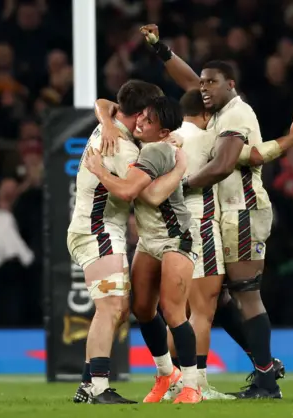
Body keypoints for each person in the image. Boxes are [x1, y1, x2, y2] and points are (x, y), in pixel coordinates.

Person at [137, 24, 293, 399]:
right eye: (201, 85)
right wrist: (161, 49)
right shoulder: (215, 112)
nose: (203, 88)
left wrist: (177, 188)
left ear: (230, 85)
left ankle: (265, 379)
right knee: (225, 296)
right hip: (225, 213)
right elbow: (191, 82)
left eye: (211, 83)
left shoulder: (235, 114)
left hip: (242, 210)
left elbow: (222, 165)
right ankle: (261, 366)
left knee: (245, 292)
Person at [86, 97, 204, 404]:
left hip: (176, 237)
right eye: (141, 117)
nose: (139, 122)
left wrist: (99, 171)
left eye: (148, 121)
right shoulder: (151, 145)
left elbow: (138, 193)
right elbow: (106, 103)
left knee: (173, 312)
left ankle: (192, 386)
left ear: (163, 130)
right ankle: (166, 375)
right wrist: (109, 122)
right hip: (150, 240)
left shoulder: (157, 150)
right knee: (142, 309)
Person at [67, 84, 180, 404]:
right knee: (112, 305)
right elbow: (137, 192)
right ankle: (98, 388)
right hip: (97, 230)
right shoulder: (121, 148)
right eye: (150, 112)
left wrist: (103, 118)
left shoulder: (112, 124)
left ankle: (89, 384)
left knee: (115, 305)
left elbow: (104, 102)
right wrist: (177, 160)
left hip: (96, 228)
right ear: (141, 114)